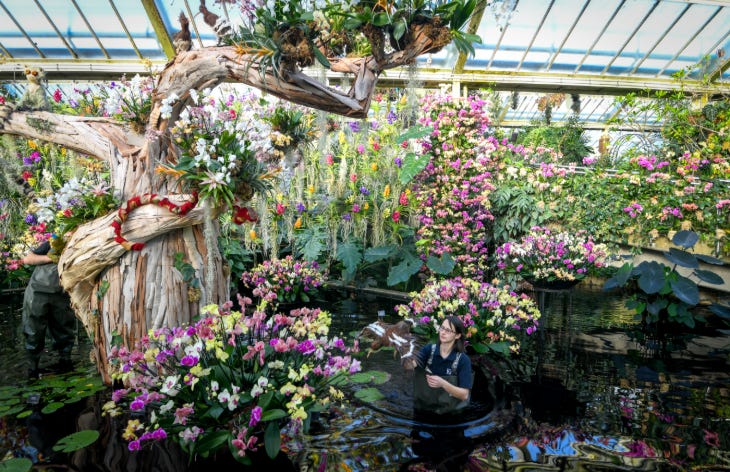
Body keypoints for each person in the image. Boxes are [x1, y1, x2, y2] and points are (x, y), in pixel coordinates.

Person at [22, 240, 75, 379]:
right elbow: (28, 259)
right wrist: (51, 258)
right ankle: (32, 369)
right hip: (38, 292)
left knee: (65, 328)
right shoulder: (54, 241)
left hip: (61, 293)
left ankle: (66, 363)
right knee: (33, 330)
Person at [413, 315, 473, 414]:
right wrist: (403, 349)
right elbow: (412, 364)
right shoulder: (428, 350)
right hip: (425, 406)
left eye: (448, 331)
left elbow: (464, 395)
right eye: (442, 328)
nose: (443, 332)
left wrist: (443, 383)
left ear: (457, 335)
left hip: (450, 412)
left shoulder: (463, 360)